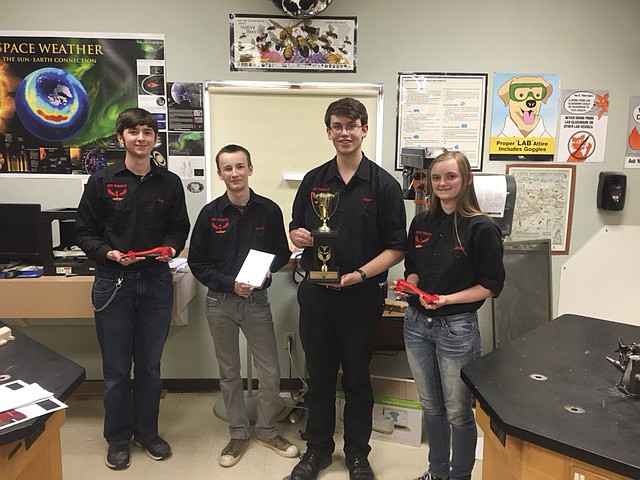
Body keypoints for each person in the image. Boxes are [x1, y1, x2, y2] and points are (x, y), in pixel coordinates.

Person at [288, 97, 407, 480]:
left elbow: (396, 249)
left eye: (351, 126)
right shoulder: (313, 181)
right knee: (319, 377)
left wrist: (360, 274)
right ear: (328, 131)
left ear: (364, 130)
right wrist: (300, 236)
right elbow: (294, 227)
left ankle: (357, 454)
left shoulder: (385, 185)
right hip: (316, 295)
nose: (344, 133)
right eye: (337, 126)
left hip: (361, 297)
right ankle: (318, 451)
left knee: (357, 377)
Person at [76, 108, 190, 470]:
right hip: (113, 281)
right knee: (115, 371)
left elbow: (178, 228)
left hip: (156, 281)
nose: (141, 138)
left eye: (147, 132)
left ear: (155, 139)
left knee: (150, 368)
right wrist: (106, 253)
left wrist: (171, 248)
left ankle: (147, 433)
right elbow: (84, 232)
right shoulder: (101, 180)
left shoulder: (169, 183)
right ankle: (118, 439)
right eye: (133, 132)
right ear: (121, 137)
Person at [188, 144, 299, 467]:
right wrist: (228, 283)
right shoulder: (210, 213)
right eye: (227, 168)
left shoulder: (268, 210)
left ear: (250, 169)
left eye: (240, 166)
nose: (234, 173)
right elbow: (198, 263)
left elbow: (281, 252)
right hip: (220, 301)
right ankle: (238, 433)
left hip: (256, 302)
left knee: (270, 370)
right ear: (219, 173)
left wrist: (269, 269)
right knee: (229, 372)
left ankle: (266, 429)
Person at [401, 151, 505, 480]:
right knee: (430, 406)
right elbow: (413, 268)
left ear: (467, 179)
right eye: (436, 178)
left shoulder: (482, 228)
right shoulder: (421, 222)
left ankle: (459, 476)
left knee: (458, 411)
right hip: (417, 326)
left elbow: (490, 286)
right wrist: (410, 286)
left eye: (450, 177)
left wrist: (446, 300)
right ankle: (437, 472)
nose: (442, 184)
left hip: (456, 330)